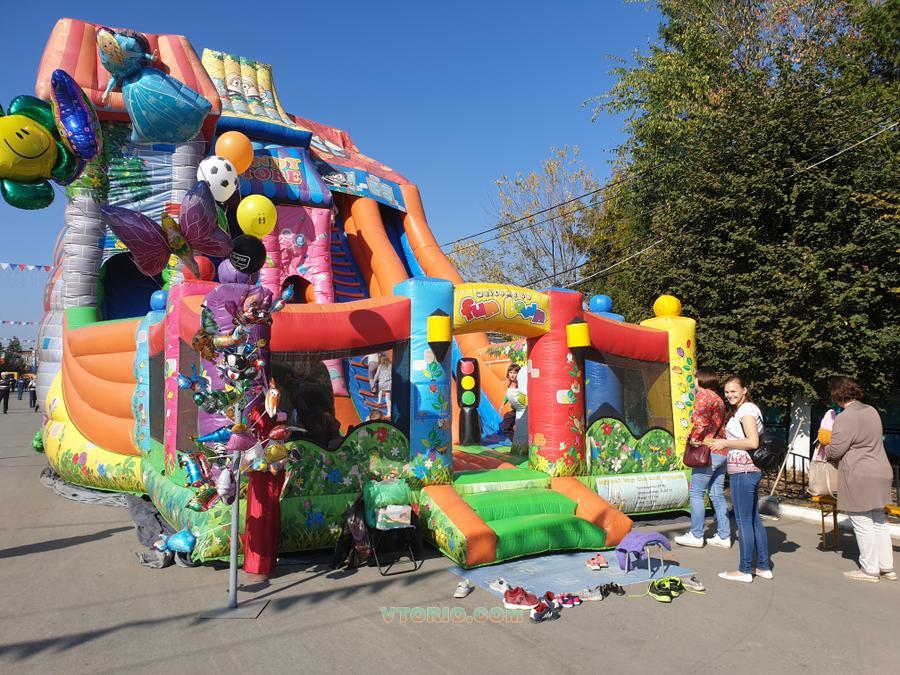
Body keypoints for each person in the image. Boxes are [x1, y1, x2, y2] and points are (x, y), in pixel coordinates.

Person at [823, 377, 895, 582]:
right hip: (881, 469)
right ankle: (887, 567)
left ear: (836, 396)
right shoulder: (872, 411)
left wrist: (825, 448)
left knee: (862, 522)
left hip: (859, 473)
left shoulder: (845, 417)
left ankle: (869, 569)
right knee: (878, 521)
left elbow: (836, 450)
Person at [709, 375, 771, 583]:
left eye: (734, 391)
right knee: (753, 519)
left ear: (745, 390)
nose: (729, 395)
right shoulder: (745, 409)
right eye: (727, 392)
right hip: (748, 470)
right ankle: (762, 566)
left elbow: (752, 442)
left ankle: (745, 569)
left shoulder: (746, 411)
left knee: (744, 521)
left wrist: (725, 443)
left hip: (744, 471)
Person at [675, 368, 730, 549]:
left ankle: (696, 535)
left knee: (696, 493)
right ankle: (724, 536)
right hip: (721, 450)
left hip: (707, 451)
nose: (693, 381)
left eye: (695, 378)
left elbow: (700, 421)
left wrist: (694, 439)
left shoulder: (703, 396)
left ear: (701, 380)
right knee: (717, 494)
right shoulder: (718, 398)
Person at [500, 363, 521, 438]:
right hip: (514, 411)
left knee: (518, 427)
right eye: (510, 372)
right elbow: (508, 395)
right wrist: (503, 403)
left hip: (520, 410)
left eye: (515, 373)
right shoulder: (510, 384)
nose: (512, 375)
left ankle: (517, 440)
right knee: (504, 427)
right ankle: (515, 439)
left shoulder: (520, 384)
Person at [375, 352, 392, 417]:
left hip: (383, 382)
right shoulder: (390, 365)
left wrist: (374, 381)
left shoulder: (380, 366)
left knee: (381, 390)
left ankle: (379, 401)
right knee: (387, 398)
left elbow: (377, 375)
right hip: (389, 382)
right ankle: (389, 412)